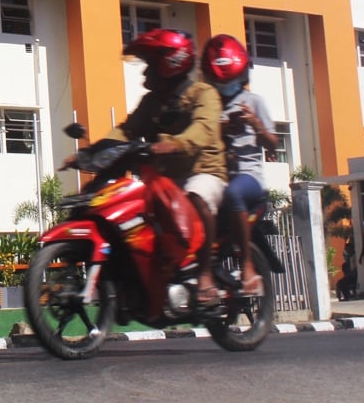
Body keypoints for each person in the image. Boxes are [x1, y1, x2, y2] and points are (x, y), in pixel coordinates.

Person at [60, 28, 226, 305]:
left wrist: (174, 143)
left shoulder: (204, 93)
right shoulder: (152, 103)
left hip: (204, 171)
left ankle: (206, 273)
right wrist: (89, 153)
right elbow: (126, 132)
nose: (145, 74)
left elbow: (205, 129)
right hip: (163, 181)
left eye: (150, 65)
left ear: (170, 63)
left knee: (196, 197)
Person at [200, 33, 278, 297]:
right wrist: (223, 127)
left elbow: (273, 143)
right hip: (213, 174)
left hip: (248, 176)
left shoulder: (255, 102)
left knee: (233, 192)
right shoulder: (206, 106)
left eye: (230, 81)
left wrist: (254, 123)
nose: (225, 87)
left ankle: (246, 266)